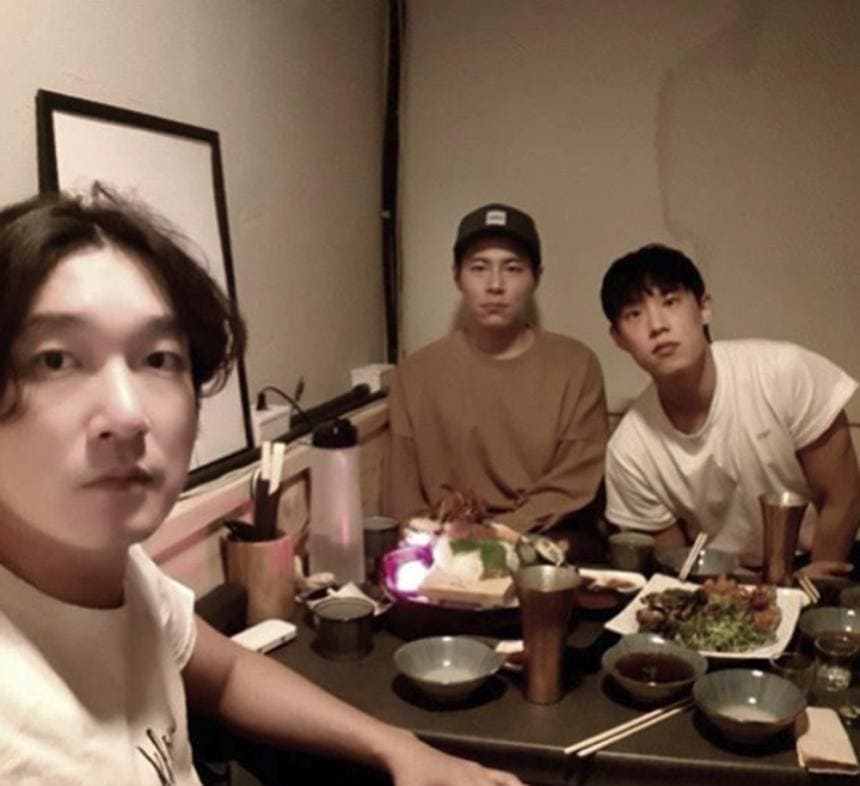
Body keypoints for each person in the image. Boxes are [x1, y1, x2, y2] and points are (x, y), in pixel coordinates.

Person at [0, 190, 523, 786]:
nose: (127, 414)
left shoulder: (113, 569)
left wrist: (400, 749)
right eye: (56, 360)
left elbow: (226, 672)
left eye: (158, 358)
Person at [600, 243, 860, 576]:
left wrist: (816, 583)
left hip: (816, 561)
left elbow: (843, 495)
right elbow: (674, 559)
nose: (657, 325)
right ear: (618, 338)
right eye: (634, 314)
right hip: (718, 578)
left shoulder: (784, 373)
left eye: (670, 302)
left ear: (704, 307)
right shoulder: (629, 450)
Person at [384, 203, 608, 555]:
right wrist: (439, 543)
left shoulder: (576, 365)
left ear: (536, 277)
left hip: (541, 543)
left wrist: (499, 534)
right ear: (457, 277)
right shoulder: (415, 374)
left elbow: (574, 482)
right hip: (444, 548)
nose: (495, 285)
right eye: (479, 268)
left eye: (513, 268)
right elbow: (402, 499)